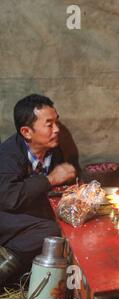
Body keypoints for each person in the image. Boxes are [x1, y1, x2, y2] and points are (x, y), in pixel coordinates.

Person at [0, 94, 77, 286]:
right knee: (50, 229)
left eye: (56, 122)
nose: (57, 129)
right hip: (7, 213)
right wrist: (50, 179)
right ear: (27, 131)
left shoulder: (53, 151)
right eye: (49, 124)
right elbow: (9, 198)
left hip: (28, 214)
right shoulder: (8, 154)